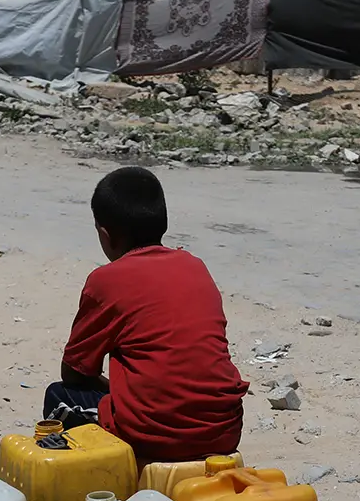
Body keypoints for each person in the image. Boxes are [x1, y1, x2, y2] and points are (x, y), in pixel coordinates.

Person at [49, 167, 248, 463]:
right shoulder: (195, 267)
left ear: (105, 234)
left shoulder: (107, 280)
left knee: (58, 397)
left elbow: (76, 372)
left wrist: (112, 386)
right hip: (225, 430)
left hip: (153, 436)